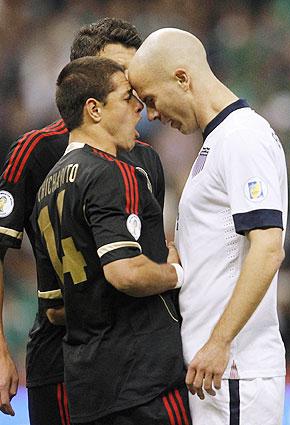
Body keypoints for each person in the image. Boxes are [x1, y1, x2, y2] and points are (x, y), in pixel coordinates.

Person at [0, 18, 166, 424]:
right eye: (119, 75)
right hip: (59, 357)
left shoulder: (145, 158)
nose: (133, 91)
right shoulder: (36, 150)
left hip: (134, 365)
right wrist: (0, 352)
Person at [128, 28, 287, 425]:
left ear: (182, 78)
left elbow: (268, 248)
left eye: (151, 99)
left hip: (234, 371)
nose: (151, 115)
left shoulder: (242, 137)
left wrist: (220, 343)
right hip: (216, 371)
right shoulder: (217, 143)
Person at [34, 56, 191, 425]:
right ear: (94, 110)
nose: (139, 108)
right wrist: (178, 273)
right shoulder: (111, 172)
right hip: (145, 382)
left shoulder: (47, 189)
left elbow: (56, 309)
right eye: (126, 98)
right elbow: (126, 273)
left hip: (88, 390)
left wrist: (97, 301)